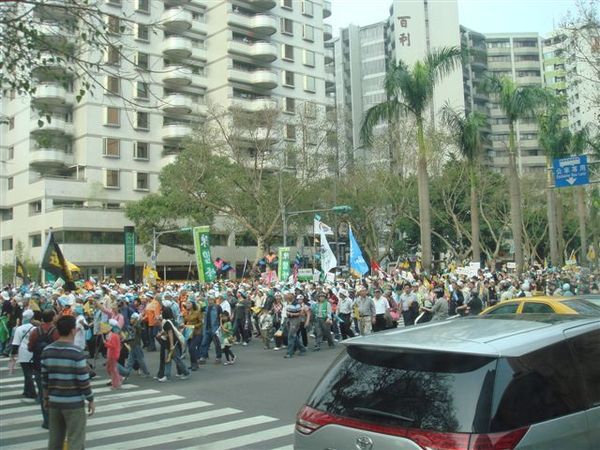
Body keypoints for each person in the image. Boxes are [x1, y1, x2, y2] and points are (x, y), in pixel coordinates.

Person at [41, 315, 95, 450]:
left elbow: (44, 380)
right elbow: (83, 380)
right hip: (73, 403)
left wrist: (46, 398)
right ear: (73, 330)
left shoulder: (47, 351)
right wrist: (90, 399)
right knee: (75, 439)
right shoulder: (76, 352)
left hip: (54, 401)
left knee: (55, 439)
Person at [11, 309, 36, 399]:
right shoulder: (35, 328)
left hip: (23, 354)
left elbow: (15, 343)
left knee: (27, 373)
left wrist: (13, 355)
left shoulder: (19, 329)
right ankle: (26, 391)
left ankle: (32, 392)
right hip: (33, 353)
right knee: (29, 373)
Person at [124, 312, 150, 377]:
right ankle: (125, 373)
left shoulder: (137, 326)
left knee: (140, 359)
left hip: (136, 345)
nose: (130, 320)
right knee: (130, 360)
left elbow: (138, 327)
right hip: (132, 344)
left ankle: (146, 372)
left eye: (132, 319)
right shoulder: (134, 326)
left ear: (135, 319)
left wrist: (139, 320)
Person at [104, 318, 123, 389]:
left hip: (113, 354)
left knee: (113, 370)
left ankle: (116, 384)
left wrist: (106, 343)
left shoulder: (114, 336)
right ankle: (118, 379)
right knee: (110, 369)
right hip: (111, 354)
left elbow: (113, 346)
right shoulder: (112, 335)